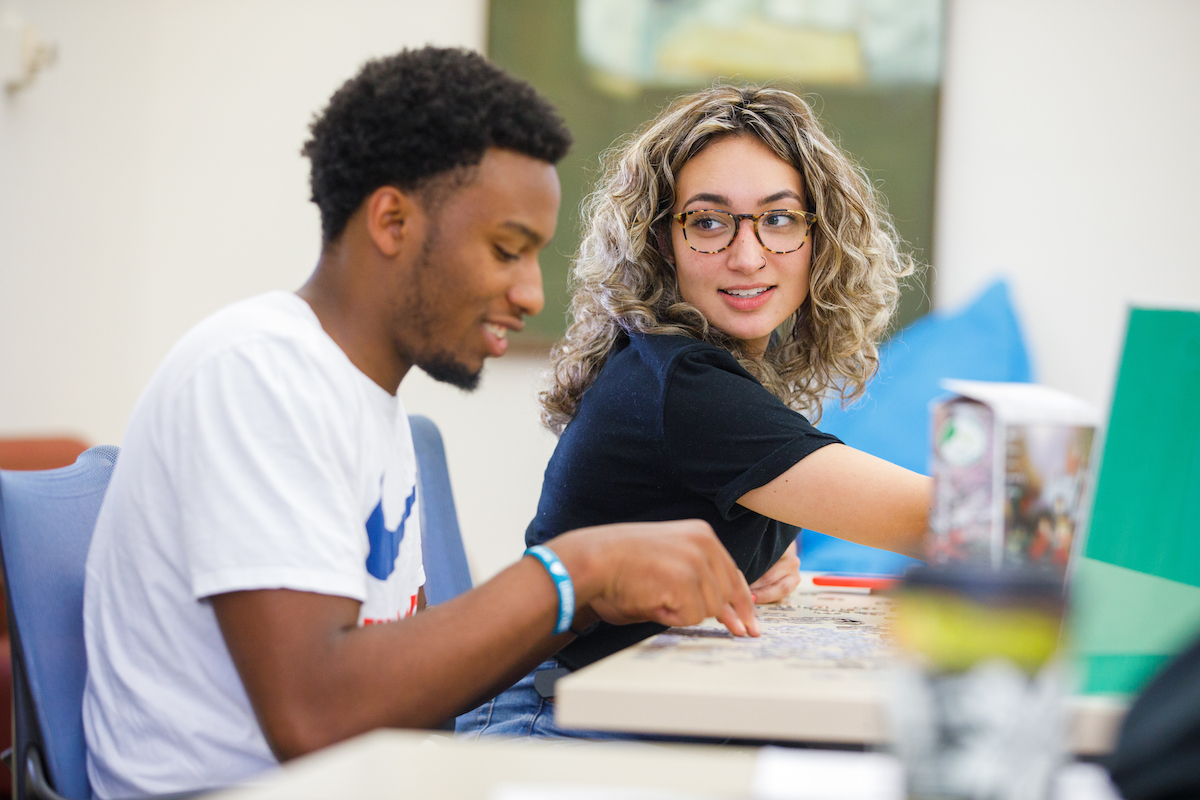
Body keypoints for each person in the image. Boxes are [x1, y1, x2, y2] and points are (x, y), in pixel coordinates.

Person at [81, 47, 761, 799]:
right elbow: (316, 713)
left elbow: (409, 677)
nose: (533, 293)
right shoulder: (258, 372)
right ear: (392, 219)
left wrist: (600, 597)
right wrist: (578, 570)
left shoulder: (363, 401)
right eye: (507, 250)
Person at [458, 84, 933, 739]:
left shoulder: (690, 366)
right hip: (555, 721)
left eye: (779, 218)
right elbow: (937, 519)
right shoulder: (683, 383)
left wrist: (758, 554)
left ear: (820, 237)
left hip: (588, 698)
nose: (746, 255)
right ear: (662, 241)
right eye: (708, 221)